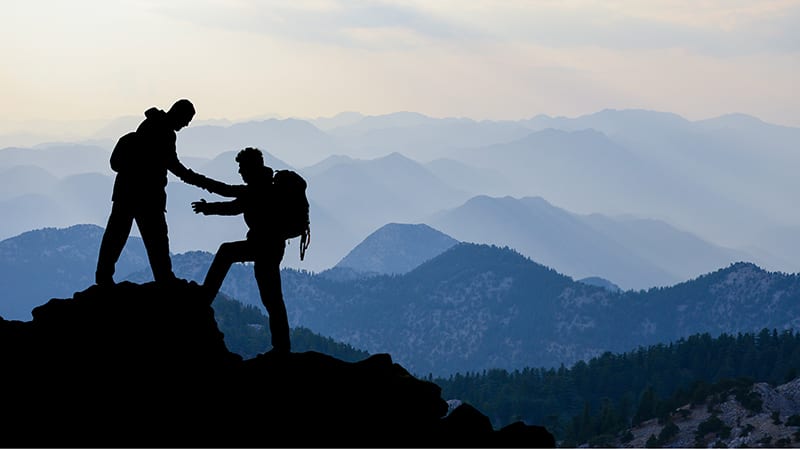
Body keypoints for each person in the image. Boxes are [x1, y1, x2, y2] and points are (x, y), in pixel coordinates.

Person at [191, 147, 291, 355]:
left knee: (269, 295)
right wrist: (208, 205)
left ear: (251, 167)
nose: (240, 172)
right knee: (272, 298)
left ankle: (205, 297)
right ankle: (282, 346)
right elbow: (231, 197)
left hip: (264, 247)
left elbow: (231, 201)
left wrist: (206, 206)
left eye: (242, 168)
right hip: (271, 247)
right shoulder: (265, 186)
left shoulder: (257, 190)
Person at [95, 98, 206, 286]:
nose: (186, 125)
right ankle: (164, 278)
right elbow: (173, 165)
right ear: (179, 114)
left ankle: (104, 276)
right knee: (156, 240)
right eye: (187, 120)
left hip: (126, 191)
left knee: (116, 235)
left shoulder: (150, 123)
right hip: (147, 196)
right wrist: (200, 181)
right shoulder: (165, 133)